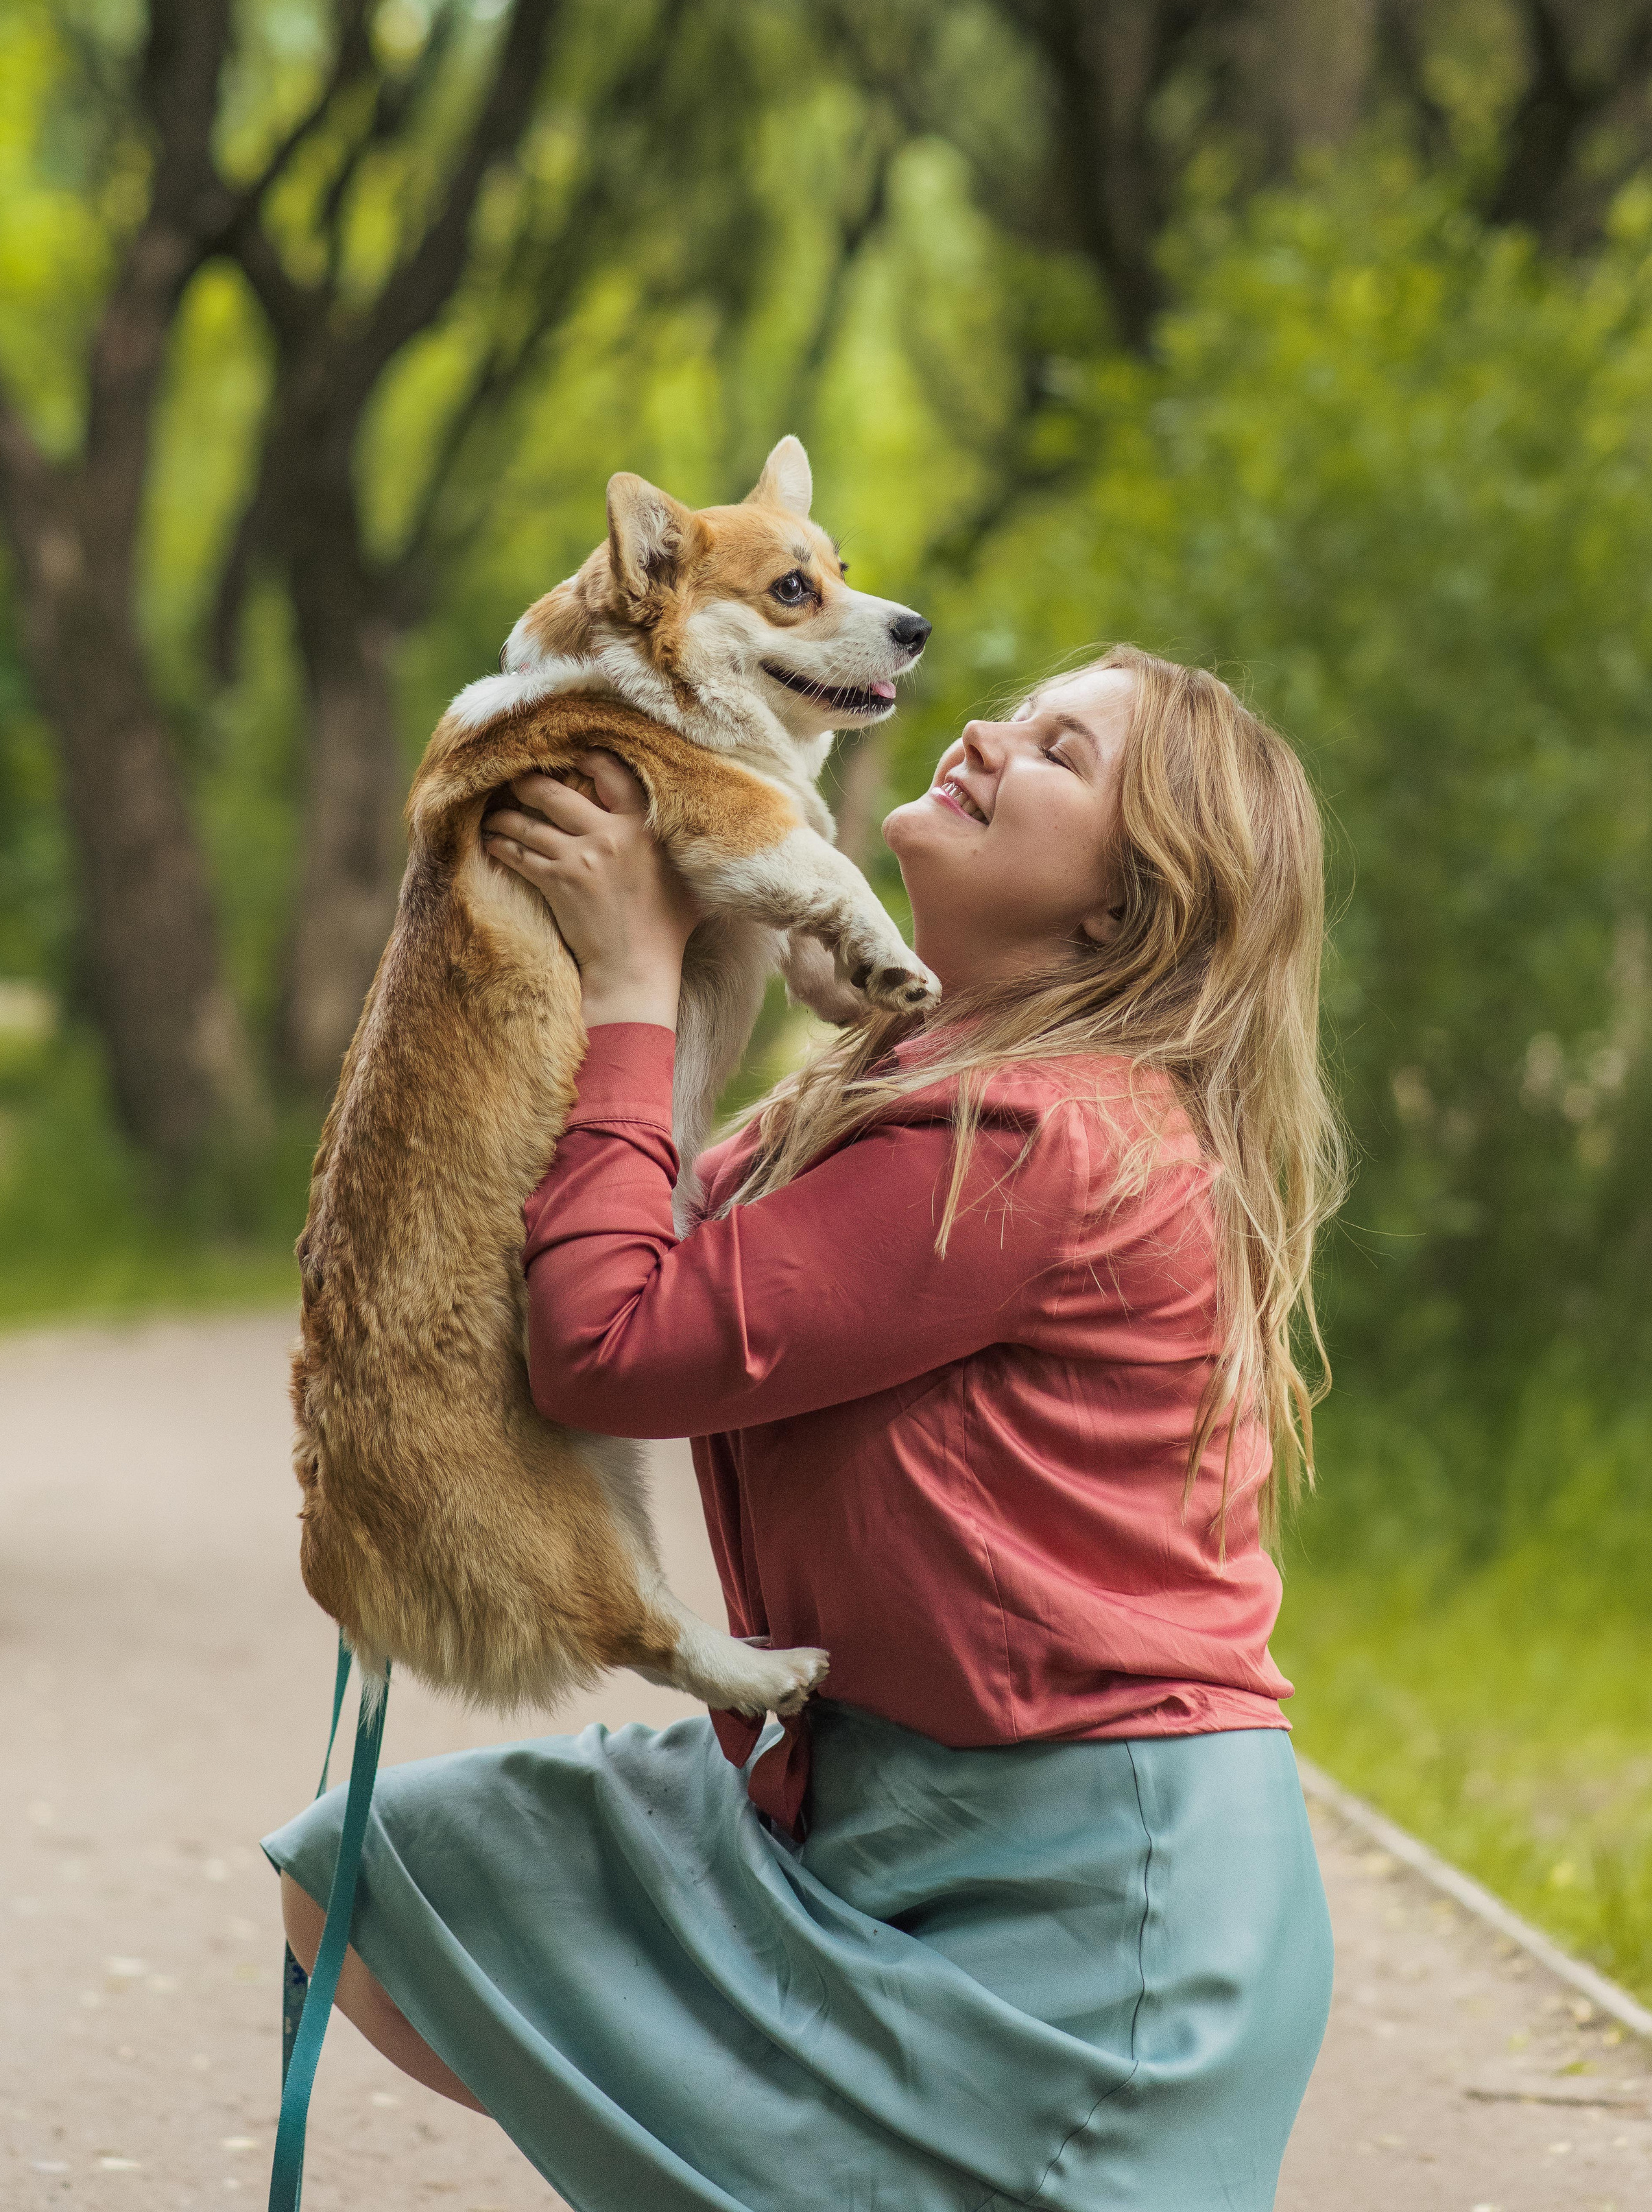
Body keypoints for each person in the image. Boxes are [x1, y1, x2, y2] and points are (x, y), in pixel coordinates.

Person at [265, 643, 1345, 2211]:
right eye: (1015, 708)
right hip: (855, 1804)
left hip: (1086, 1901)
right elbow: (613, 1224)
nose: (982, 732)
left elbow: (611, 1342)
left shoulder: (1047, 1137)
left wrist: (638, 982)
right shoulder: (933, 1084)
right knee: (369, 1878)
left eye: (1056, 750)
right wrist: (748, 972)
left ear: (1120, 905)